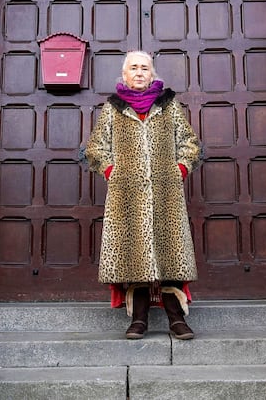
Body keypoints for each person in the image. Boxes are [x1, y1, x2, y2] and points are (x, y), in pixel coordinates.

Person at [84, 51, 201, 340]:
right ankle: (139, 320)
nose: (139, 73)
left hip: (166, 193)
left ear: (153, 74)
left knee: (171, 254)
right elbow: (95, 148)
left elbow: (190, 143)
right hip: (126, 196)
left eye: (144, 68)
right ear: (124, 75)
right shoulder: (113, 108)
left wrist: (180, 171)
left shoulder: (169, 105)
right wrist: (112, 171)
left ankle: (177, 320)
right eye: (133, 68)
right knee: (132, 258)